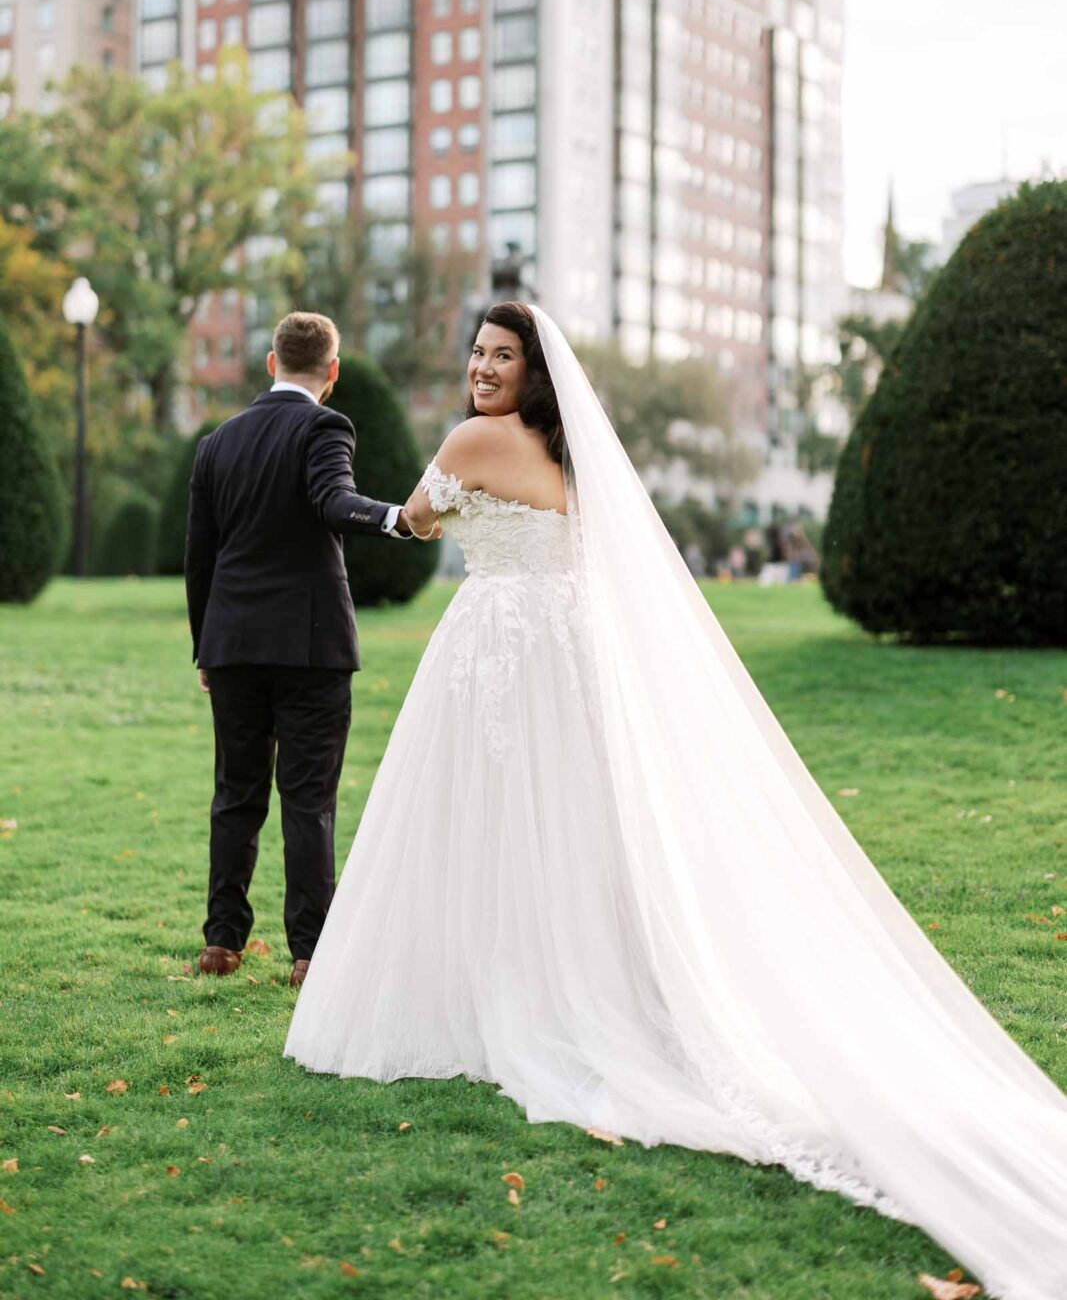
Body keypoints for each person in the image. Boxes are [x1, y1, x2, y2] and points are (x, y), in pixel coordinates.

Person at [285, 302, 1067, 1300]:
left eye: (500, 355)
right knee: (562, 828)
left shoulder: (475, 440)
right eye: (477, 352)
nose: (481, 367)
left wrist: (363, 505)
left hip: (494, 653)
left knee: (480, 824)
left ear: (533, 372)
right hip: (563, 663)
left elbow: (420, 519)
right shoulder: (571, 460)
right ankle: (562, 979)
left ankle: (499, 995)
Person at [184, 311, 429, 989]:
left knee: (234, 793)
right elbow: (332, 500)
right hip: (310, 647)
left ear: (270, 364)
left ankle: (220, 942)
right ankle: (310, 953)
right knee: (307, 798)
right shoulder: (326, 425)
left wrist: (206, 645)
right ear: (333, 371)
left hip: (231, 643)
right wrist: (395, 519)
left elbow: (198, 560)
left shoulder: (215, 444)